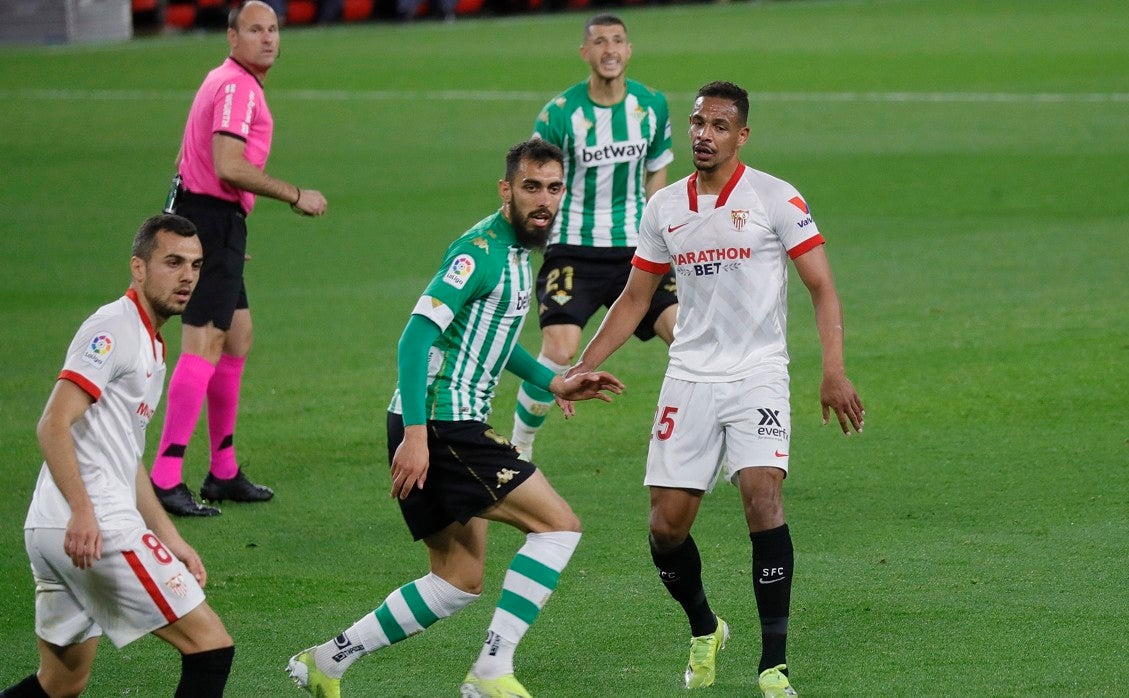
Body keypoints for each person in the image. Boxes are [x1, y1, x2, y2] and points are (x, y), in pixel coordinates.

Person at [286, 140, 624, 698]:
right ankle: (491, 672)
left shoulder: (518, 253)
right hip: (444, 424)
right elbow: (415, 336)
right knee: (558, 525)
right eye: (531, 187)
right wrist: (417, 436)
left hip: (435, 423)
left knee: (457, 581)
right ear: (506, 189)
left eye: (554, 188)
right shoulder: (481, 252)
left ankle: (326, 661)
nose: (544, 200)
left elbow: (492, 339)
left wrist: (554, 380)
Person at [562, 81, 865, 697]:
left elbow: (822, 287)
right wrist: (580, 364)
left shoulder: (776, 198)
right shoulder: (665, 208)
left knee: (762, 498)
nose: (704, 134)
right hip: (690, 376)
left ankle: (773, 665)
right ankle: (706, 627)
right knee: (666, 528)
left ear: (742, 135)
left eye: (719, 126)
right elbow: (635, 299)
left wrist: (833, 369)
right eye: (698, 123)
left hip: (758, 373)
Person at [0, 215, 235, 698]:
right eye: (172, 263)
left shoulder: (152, 342)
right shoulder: (114, 328)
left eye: (195, 265)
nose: (187, 276)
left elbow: (128, 460)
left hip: (52, 527)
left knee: (61, 683)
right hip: (92, 525)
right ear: (139, 269)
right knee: (211, 648)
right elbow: (53, 423)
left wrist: (171, 538)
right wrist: (83, 511)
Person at [152, 0, 328, 517]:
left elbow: (194, 159)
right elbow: (229, 165)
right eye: (255, 29)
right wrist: (294, 194)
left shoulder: (225, 80)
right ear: (232, 37)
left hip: (214, 219)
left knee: (237, 333)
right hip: (210, 216)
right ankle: (164, 478)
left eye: (273, 29)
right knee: (203, 341)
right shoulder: (237, 87)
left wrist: (223, 230)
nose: (268, 38)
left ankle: (223, 471)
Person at [511, 13, 676, 463]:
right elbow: (535, 179)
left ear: (628, 50)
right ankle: (520, 446)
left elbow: (657, 167)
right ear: (585, 52)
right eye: (600, 41)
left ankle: (720, 445)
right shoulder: (561, 113)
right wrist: (530, 233)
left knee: (687, 337)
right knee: (559, 349)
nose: (609, 49)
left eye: (618, 41)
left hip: (635, 252)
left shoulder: (651, 105)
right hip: (573, 251)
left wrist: (655, 226)